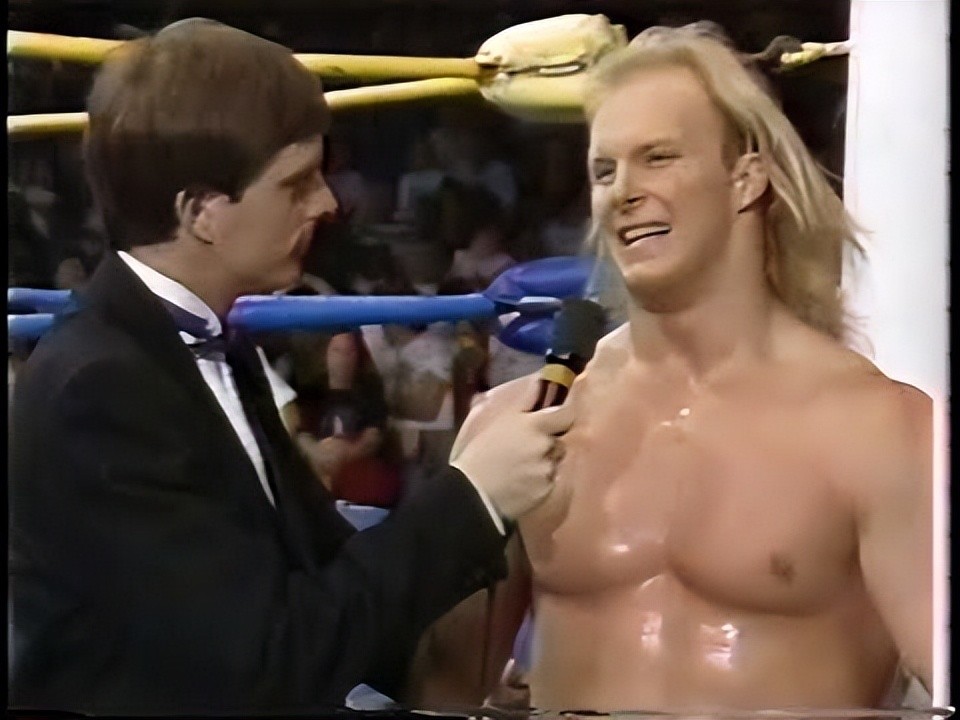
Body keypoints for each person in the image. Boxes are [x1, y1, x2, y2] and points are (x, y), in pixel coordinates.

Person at [8, 19, 574, 715]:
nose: (327, 203)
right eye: (296, 184)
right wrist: (473, 493)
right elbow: (265, 662)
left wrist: (442, 668)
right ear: (202, 212)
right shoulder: (100, 387)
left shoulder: (204, 350)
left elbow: (326, 579)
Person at [407, 24, 932, 711]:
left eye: (658, 158)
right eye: (605, 170)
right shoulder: (520, 426)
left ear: (745, 177)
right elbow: (443, 689)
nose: (624, 191)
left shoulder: (876, 429)